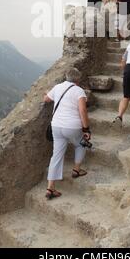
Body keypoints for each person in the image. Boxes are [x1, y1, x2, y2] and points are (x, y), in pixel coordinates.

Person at [44, 68, 91, 200]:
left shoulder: (58, 87)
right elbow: (82, 110)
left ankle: (50, 188)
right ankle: (76, 170)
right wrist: (86, 129)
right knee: (81, 144)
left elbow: (46, 99)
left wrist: (46, 93)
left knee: (56, 155)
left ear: (66, 77)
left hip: (57, 126)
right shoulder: (79, 91)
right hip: (72, 126)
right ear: (78, 79)